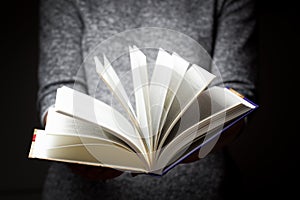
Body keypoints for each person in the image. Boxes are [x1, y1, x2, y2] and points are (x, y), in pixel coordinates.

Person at [37, 0, 257, 199]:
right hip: (83, 192)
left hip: (202, 189)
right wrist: (75, 141)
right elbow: (58, 91)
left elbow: (235, 91)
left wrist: (201, 132)